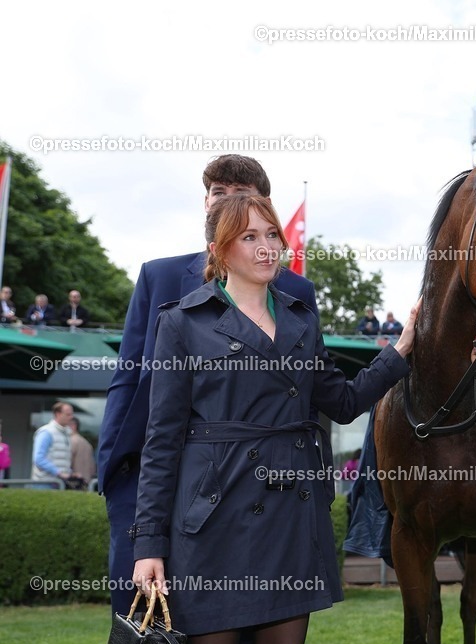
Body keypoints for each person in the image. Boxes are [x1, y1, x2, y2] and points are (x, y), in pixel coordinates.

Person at [131, 194, 418, 644]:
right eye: (249, 237)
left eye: (271, 236)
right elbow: (161, 441)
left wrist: (404, 345)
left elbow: (343, 403)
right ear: (220, 250)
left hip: (290, 518)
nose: (266, 248)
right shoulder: (180, 323)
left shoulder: (301, 319)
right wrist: (148, 545)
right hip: (213, 525)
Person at [97, 154, 322, 619]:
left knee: (242, 640)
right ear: (206, 203)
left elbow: (306, 392)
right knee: (148, 627)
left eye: (242, 195)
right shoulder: (159, 276)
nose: (227, 201)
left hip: (250, 490)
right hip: (152, 481)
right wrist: (115, 471)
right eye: (219, 193)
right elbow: (129, 379)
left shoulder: (296, 292)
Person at [31, 402, 75, 488]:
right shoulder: (46, 432)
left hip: (58, 483)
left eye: (71, 414)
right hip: (44, 483)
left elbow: (62, 458)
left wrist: (70, 473)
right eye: (68, 414)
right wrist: (59, 473)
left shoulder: (66, 433)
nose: (71, 417)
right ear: (58, 414)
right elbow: (38, 459)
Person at [69, 417, 96, 489]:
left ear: (73, 426)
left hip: (73, 483)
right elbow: (92, 467)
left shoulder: (70, 442)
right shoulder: (87, 443)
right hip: (87, 483)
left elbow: (68, 463)